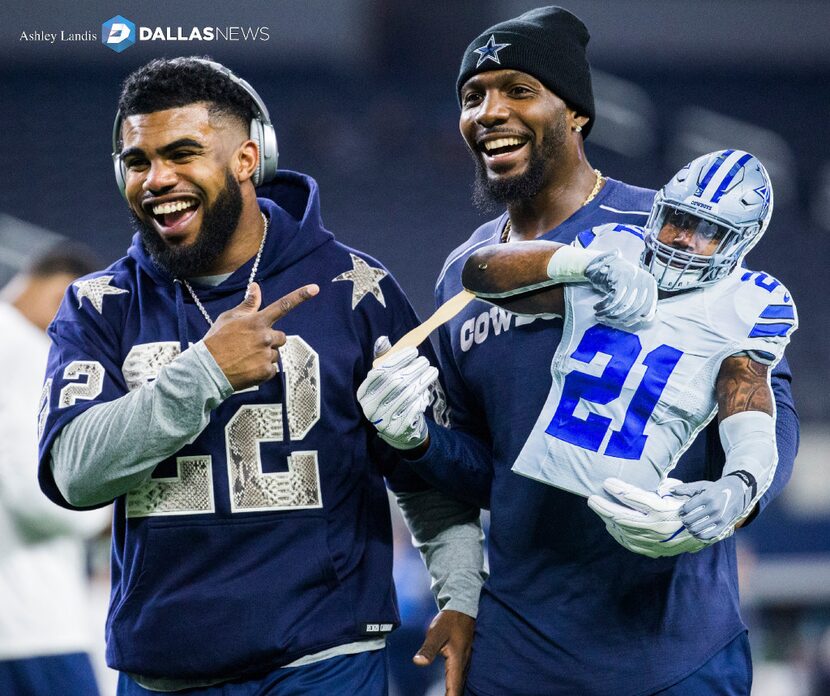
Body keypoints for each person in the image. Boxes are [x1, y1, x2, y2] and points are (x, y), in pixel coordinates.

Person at [358, 7, 799, 695]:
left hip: (672, 648)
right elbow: (489, 476)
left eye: (517, 89)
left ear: (578, 114)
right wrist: (412, 440)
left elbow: (769, 407)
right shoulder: (461, 272)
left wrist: (735, 498)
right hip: (521, 654)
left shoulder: (676, 228)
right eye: (472, 97)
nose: (489, 112)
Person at [36, 57, 484, 695]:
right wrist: (207, 371)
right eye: (138, 162)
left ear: (248, 159)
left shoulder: (354, 290)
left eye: (182, 153)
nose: (157, 179)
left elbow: (424, 473)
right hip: (165, 671)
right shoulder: (99, 303)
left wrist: (460, 592)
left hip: (323, 662)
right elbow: (74, 476)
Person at [461, 149, 795, 558]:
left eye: (709, 231)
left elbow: (747, 403)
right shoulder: (614, 246)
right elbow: (481, 273)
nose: (683, 237)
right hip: (537, 503)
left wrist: (741, 482)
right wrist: (585, 264)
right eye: (680, 218)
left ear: (740, 240)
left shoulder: (749, 303)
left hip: (633, 510)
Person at [0, 247, 110, 696]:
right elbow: (41, 496)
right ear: (61, 290)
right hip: (29, 622)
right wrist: (106, 509)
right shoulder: (25, 348)